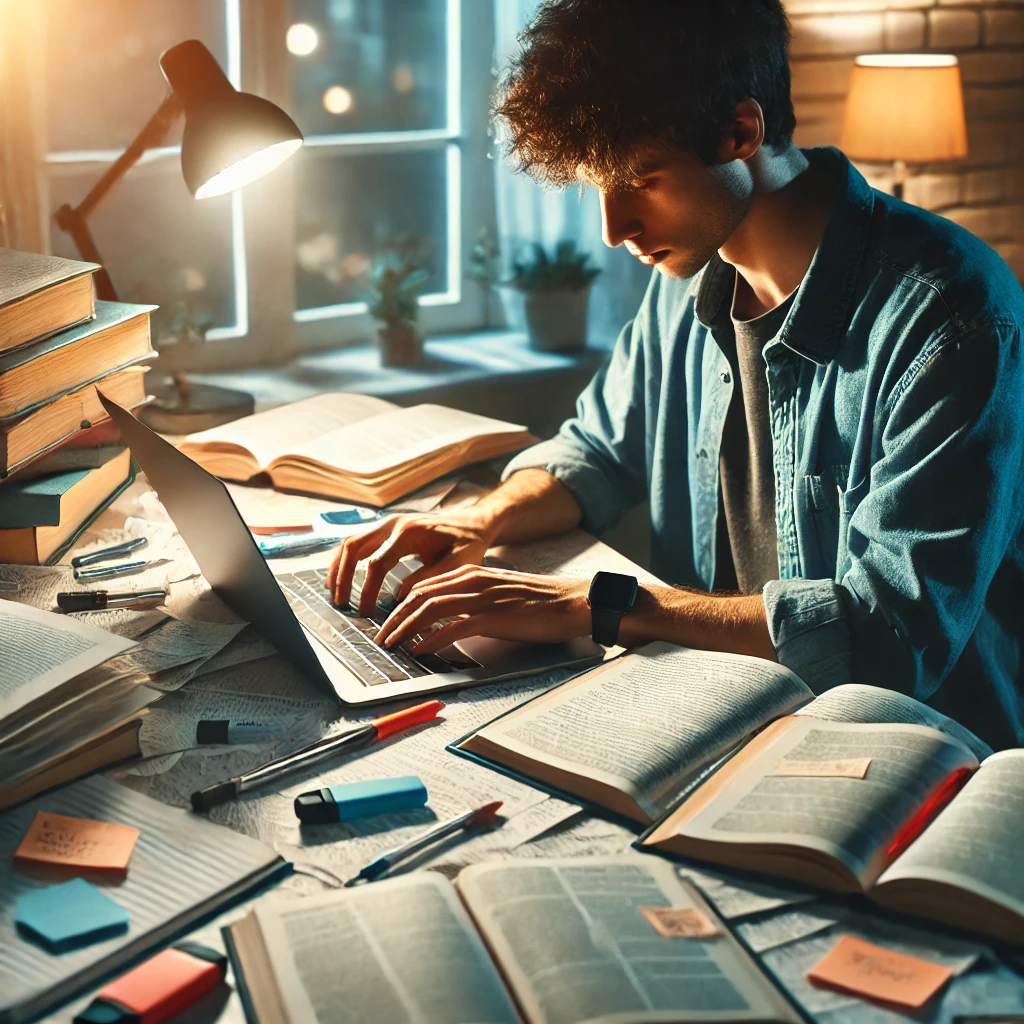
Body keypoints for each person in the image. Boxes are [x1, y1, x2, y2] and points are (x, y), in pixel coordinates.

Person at [328, 0, 1024, 750]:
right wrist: (473, 521)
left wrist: (598, 605)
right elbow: (595, 453)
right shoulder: (684, 275)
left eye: (641, 178)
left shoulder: (953, 319)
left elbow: (890, 637)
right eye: (598, 185)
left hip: (912, 755)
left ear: (741, 132)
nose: (612, 228)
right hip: (718, 713)